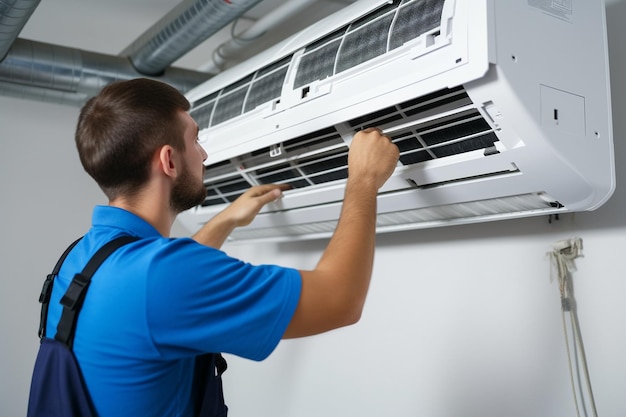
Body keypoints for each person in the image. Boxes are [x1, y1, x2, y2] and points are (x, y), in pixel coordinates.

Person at [42, 78, 399, 416]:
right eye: (195, 140)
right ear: (169, 160)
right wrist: (364, 179)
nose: (204, 154)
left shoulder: (82, 258)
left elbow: (158, 297)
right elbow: (341, 300)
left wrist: (225, 220)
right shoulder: (163, 277)